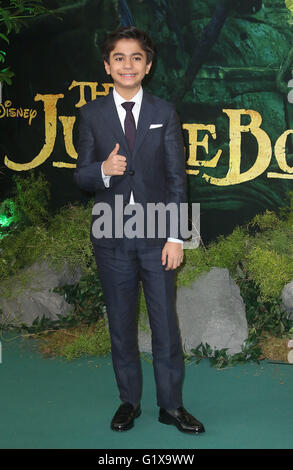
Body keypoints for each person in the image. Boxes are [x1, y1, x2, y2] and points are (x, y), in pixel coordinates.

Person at [74, 26, 205, 434]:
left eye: (136, 58)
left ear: (147, 66)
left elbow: (176, 179)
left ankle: (171, 406)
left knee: (165, 325)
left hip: (156, 234)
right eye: (119, 57)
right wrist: (102, 171)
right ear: (107, 66)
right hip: (110, 232)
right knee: (121, 324)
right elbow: (81, 177)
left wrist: (176, 237)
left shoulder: (163, 112)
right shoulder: (91, 114)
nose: (127, 65)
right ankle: (129, 402)